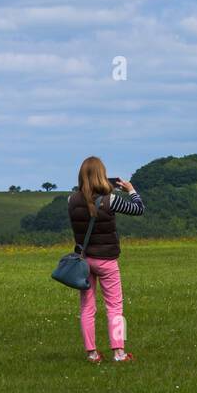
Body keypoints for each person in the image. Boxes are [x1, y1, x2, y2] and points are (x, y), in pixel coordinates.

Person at [68, 156, 144, 364]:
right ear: (102, 175)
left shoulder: (71, 200)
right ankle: (119, 353)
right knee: (115, 307)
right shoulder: (111, 199)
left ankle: (92, 354)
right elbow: (139, 209)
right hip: (107, 261)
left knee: (87, 308)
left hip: (84, 261)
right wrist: (130, 189)